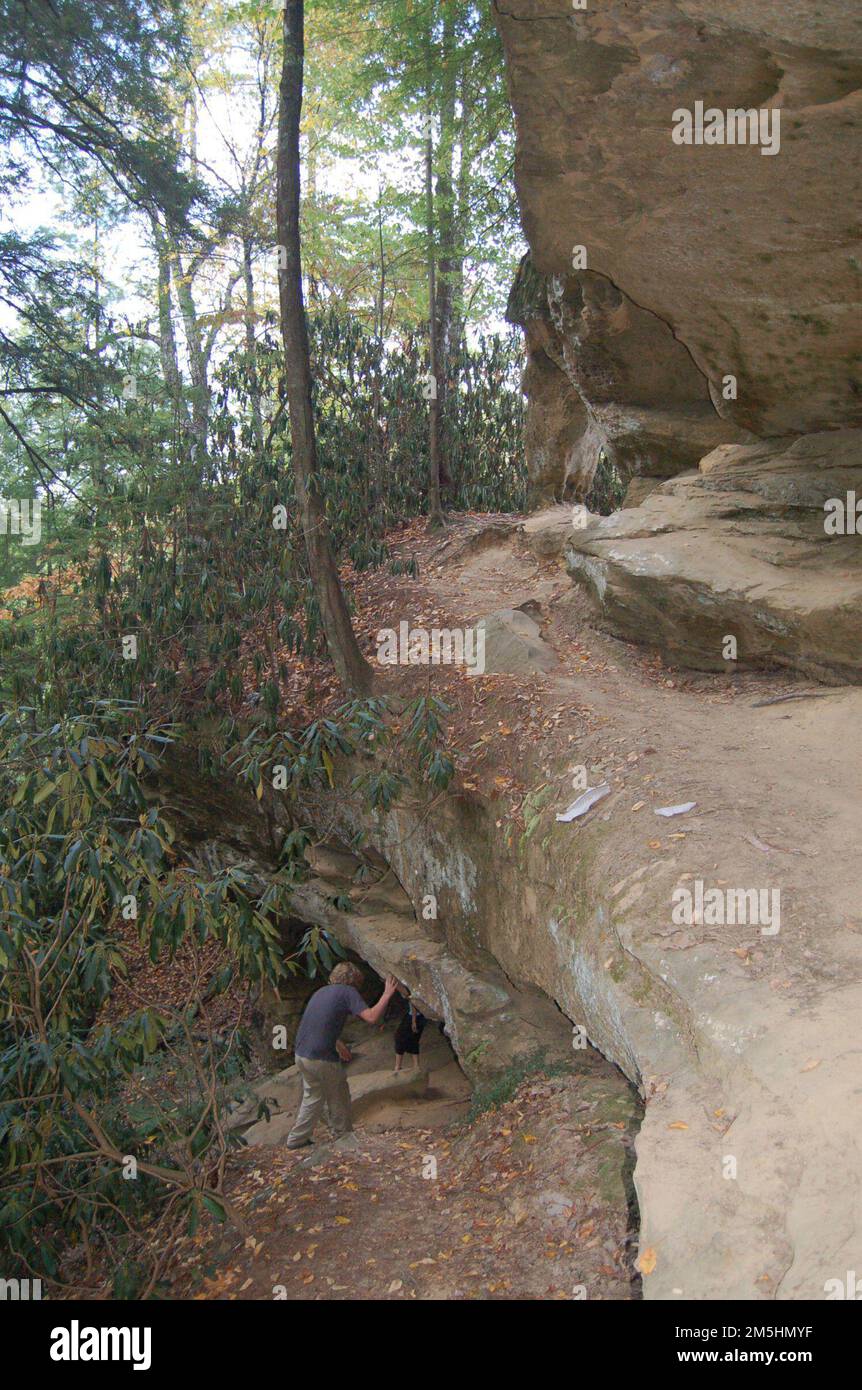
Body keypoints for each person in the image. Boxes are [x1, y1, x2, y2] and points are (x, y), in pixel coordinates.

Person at [286, 963, 398, 1151]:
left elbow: (319, 1021)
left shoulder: (321, 991)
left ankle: (296, 1139)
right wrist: (387, 994)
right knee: (338, 1094)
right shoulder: (347, 992)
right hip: (321, 1057)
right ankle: (344, 1137)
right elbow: (371, 1017)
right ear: (354, 982)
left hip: (302, 1054)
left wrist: (337, 1043)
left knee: (312, 1096)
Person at [393, 989, 426, 1073]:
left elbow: (413, 1000)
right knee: (413, 1040)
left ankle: (398, 1067)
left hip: (415, 1016)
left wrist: (413, 1020)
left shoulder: (403, 986)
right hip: (420, 1017)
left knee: (399, 1038)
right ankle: (416, 1066)